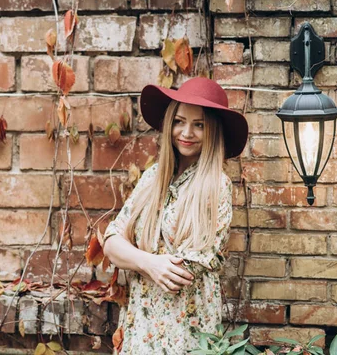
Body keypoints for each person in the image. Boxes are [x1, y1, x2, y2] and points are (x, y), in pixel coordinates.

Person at [103, 77, 249, 354]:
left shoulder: (217, 186)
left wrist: (135, 258)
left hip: (187, 334)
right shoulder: (152, 178)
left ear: (213, 131)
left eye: (199, 125)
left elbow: (183, 270)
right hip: (139, 330)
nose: (187, 132)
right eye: (180, 121)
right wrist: (149, 262)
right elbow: (111, 242)